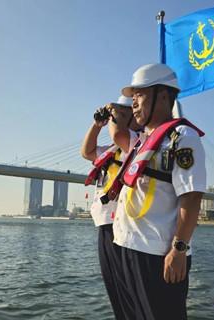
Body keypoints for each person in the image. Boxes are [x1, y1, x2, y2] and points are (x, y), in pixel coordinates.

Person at [110, 63, 207, 320]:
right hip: (126, 246)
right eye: (133, 97)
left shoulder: (182, 137)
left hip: (157, 255)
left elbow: (191, 196)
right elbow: (117, 133)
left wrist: (179, 249)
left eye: (140, 95)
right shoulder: (142, 140)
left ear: (163, 96)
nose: (134, 103)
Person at [80, 95, 139, 320]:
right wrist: (97, 125)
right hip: (105, 225)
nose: (115, 118)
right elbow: (86, 152)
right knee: (114, 286)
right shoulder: (111, 150)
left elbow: (118, 133)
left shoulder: (137, 143)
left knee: (128, 287)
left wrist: (115, 116)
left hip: (123, 225)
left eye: (123, 113)